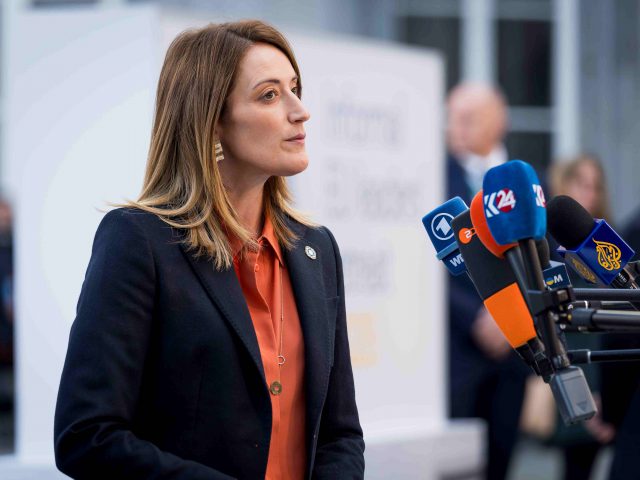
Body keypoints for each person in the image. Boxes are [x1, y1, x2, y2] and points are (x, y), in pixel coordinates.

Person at [54, 21, 365, 480]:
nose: (300, 112)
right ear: (212, 121)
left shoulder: (316, 248)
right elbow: (86, 436)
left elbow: (340, 434)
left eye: (295, 89)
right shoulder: (138, 241)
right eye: (270, 95)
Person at [445, 83, 529, 480]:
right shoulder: (430, 179)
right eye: (451, 119)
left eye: (467, 119)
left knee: (501, 462)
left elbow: (543, 260)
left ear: (500, 122)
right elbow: (424, 267)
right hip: (456, 353)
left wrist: (510, 316)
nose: (455, 128)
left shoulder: (527, 183)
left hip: (512, 355)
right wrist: (477, 317)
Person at [543, 155, 615, 480]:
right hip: (566, 365)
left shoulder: (605, 246)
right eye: (581, 184)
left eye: (595, 186)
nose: (590, 194)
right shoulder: (543, 246)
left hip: (602, 370)